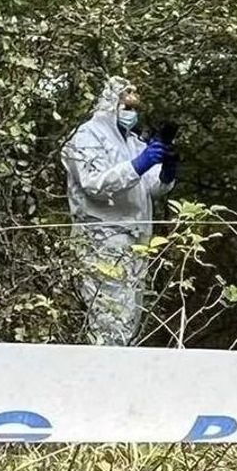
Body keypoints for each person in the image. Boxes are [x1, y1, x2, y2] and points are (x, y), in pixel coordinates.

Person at [62, 76, 178, 345]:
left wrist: (167, 170)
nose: (132, 113)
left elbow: (151, 187)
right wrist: (139, 164)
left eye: (135, 108)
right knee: (107, 318)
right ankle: (105, 370)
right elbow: (94, 183)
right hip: (102, 241)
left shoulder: (133, 142)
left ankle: (122, 368)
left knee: (130, 319)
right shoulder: (87, 136)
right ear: (110, 103)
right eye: (127, 106)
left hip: (136, 242)